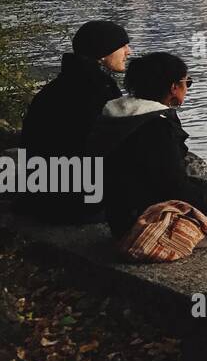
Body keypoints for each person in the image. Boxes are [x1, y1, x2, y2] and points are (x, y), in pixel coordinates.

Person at [95, 52, 207, 246]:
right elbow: (174, 187)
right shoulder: (156, 128)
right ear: (173, 87)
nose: (187, 88)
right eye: (187, 82)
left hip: (120, 218)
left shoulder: (115, 119)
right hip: (148, 226)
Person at [18, 20, 130, 223]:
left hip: (41, 195)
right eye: (122, 46)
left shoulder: (58, 86)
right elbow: (111, 145)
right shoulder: (97, 88)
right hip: (78, 203)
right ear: (103, 51)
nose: (128, 51)